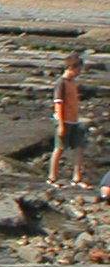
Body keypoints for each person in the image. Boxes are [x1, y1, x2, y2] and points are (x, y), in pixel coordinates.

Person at [48, 52, 88, 188]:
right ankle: (52, 178)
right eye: (79, 69)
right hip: (63, 120)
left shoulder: (73, 83)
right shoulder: (61, 83)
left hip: (74, 120)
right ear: (72, 68)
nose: (79, 72)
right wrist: (60, 125)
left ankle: (77, 177)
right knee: (59, 148)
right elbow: (58, 104)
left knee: (79, 147)